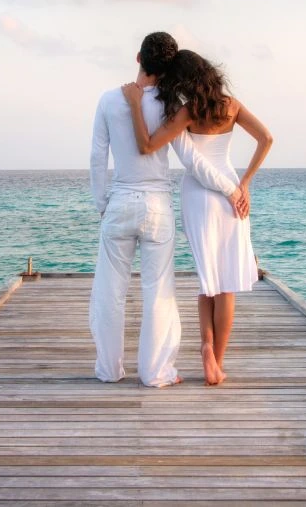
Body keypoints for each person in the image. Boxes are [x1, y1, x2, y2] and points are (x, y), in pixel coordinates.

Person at [89, 33, 246, 387]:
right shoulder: (170, 103)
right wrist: (231, 188)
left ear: (138, 58)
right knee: (158, 291)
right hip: (157, 207)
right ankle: (156, 373)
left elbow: (98, 157)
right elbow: (191, 158)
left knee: (110, 292)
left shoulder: (109, 100)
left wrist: (102, 204)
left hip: (119, 203)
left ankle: (109, 370)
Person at [122, 50, 273, 385]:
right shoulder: (231, 106)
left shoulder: (185, 112)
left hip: (198, 197)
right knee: (227, 286)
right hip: (230, 193)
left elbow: (147, 146)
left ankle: (205, 345)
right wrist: (245, 183)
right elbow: (267, 138)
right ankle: (216, 362)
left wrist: (134, 104)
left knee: (208, 279)